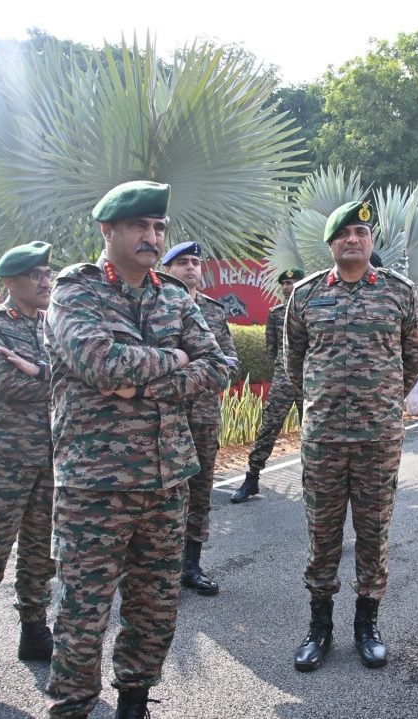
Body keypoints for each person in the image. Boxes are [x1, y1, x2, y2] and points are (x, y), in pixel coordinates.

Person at [43, 180, 230, 718]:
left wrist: (144, 380)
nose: (151, 237)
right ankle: (73, 704)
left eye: (157, 228)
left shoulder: (173, 294)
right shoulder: (75, 291)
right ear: (108, 231)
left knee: (155, 607)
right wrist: (174, 359)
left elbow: (218, 366)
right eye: (139, 227)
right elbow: (102, 363)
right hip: (94, 482)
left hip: (167, 480)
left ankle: (134, 701)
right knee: (83, 608)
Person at [284, 200, 418, 672]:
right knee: (322, 536)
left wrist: (381, 402)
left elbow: (413, 360)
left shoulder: (400, 293)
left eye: (361, 232)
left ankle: (367, 625)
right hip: (323, 438)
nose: (353, 239)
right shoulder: (304, 296)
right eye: (344, 232)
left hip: (378, 439)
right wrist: (322, 404)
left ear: (371, 242)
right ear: (330, 243)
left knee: (373, 534)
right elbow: (295, 363)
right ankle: (318, 627)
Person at [0, 241, 56, 661]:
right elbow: (8, 385)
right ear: (10, 282)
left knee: (42, 554)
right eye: (35, 275)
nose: (45, 281)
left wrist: (42, 373)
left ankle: (34, 628)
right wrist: (60, 380)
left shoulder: (53, 323)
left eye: (48, 273)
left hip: (49, 459)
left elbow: (75, 372)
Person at [162, 241, 239, 596]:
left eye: (195, 262)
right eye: (182, 262)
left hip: (204, 414)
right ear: (167, 269)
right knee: (162, 492)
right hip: (164, 415)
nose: (191, 267)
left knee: (200, 490)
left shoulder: (213, 309)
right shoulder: (155, 305)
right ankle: (160, 567)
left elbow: (228, 360)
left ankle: (191, 565)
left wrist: (201, 367)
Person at [231, 267, 305, 504]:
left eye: (292, 282)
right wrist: (281, 368)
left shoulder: (314, 312)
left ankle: (313, 482)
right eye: (283, 283)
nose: (287, 286)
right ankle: (251, 478)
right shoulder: (276, 314)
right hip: (284, 380)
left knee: (313, 434)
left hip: (309, 381)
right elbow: (271, 348)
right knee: (268, 429)